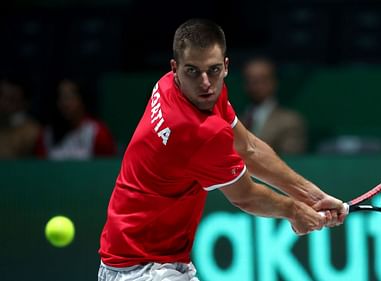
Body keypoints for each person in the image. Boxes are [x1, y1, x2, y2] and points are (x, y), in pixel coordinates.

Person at [98, 19, 347, 281]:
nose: (206, 82)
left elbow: (248, 148)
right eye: (193, 71)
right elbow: (246, 196)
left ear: (226, 66)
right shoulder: (197, 131)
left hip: (143, 259)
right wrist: (294, 211)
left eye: (213, 70)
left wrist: (312, 196)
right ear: (175, 68)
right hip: (142, 269)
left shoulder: (171, 86)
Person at [35, 78, 116, 160]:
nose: (65, 104)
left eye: (69, 97)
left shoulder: (97, 132)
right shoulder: (47, 135)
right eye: (61, 98)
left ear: (82, 100)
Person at [241, 57, 307, 154]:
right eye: (249, 80)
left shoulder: (290, 121)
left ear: (274, 82)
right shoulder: (237, 120)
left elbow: (291, 160)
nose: (254, 86)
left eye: (261, 80)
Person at [0, 78, 41, 158]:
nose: (3, 103)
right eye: (1, 96)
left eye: (11, 99)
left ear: (24, 103)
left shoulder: (32, 132)